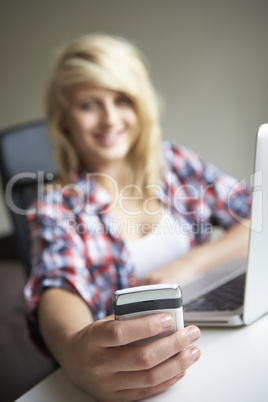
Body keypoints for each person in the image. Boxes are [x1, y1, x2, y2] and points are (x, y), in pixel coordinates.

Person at [24, 34, 251, 401]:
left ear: (140, 105)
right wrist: (75, 349)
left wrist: (190, 263)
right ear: (65, 119)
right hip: (136, 374)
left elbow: (256, 218)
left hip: (212, 346)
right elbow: (57, 288)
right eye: (88, 104)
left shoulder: (174, 164)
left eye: (121, 99)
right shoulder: (56, 206)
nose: (110, 118)